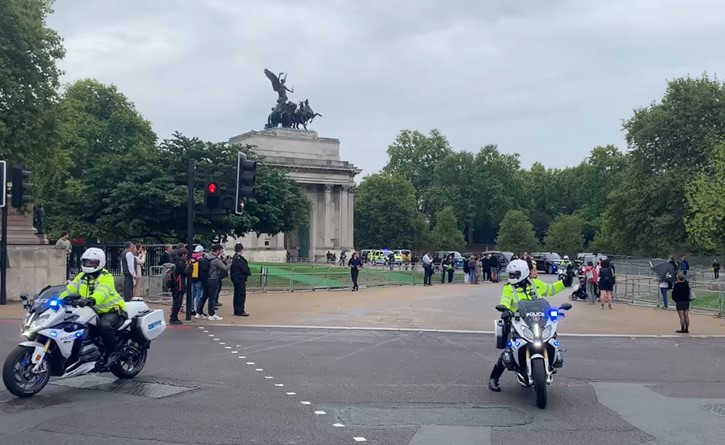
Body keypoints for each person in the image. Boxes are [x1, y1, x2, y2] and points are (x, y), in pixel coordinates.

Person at [488, 259, 566, 392]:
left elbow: (551, 289)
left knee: (551, 338)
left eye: (514, 274)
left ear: (523, 273)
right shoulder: (508, 288)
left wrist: (565, 282)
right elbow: (505, 300)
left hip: (538, 320)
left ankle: (553, 359)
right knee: (508, 350)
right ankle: (493, 379)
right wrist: (505, 310)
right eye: (510, 274)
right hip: (518, 322)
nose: (511, 277)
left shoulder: (535, 284)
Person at [59, 248, 126, 365]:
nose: (88, 264)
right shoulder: (81, 276)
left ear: (100, 263)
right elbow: (70, 289)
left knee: (104, 326)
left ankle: (113, 352)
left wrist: (92, 299)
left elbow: (103, 291)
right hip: (91, 310)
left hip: (111, 310)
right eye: (86, 262)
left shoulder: (106, 276)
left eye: (92, 262)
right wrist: (59, 298)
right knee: (74, 325)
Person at [197, 244, 230, 321]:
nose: (222, 252)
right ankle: (211, 314)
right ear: (217, 250)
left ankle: (199, 312)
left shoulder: (206, 256)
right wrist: (229, 262)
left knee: (204, 296)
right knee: (212, 297)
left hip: (206, 279)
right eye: (221, 250)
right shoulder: (215, 260)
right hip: (213, 279)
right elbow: (225, 268)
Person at [168, 248, 188, 325]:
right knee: (177, 302)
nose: (186, 256)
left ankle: (174, 317)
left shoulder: (176, 262)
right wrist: (189, 267)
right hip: (178, 285)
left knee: (176, 301)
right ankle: (173, 318)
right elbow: (185, 272)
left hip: (175, 285)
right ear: (183, 255)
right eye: (186, 255)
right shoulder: (180, 263)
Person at [230, 243, 251, 316]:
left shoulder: (235, 257)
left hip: (236, 278)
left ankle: (236, 310)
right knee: (241, 295)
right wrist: (247, 273)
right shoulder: (238, 258)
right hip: (240, 278)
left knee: (237, 294)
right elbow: (244, 268)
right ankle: (240, 310)